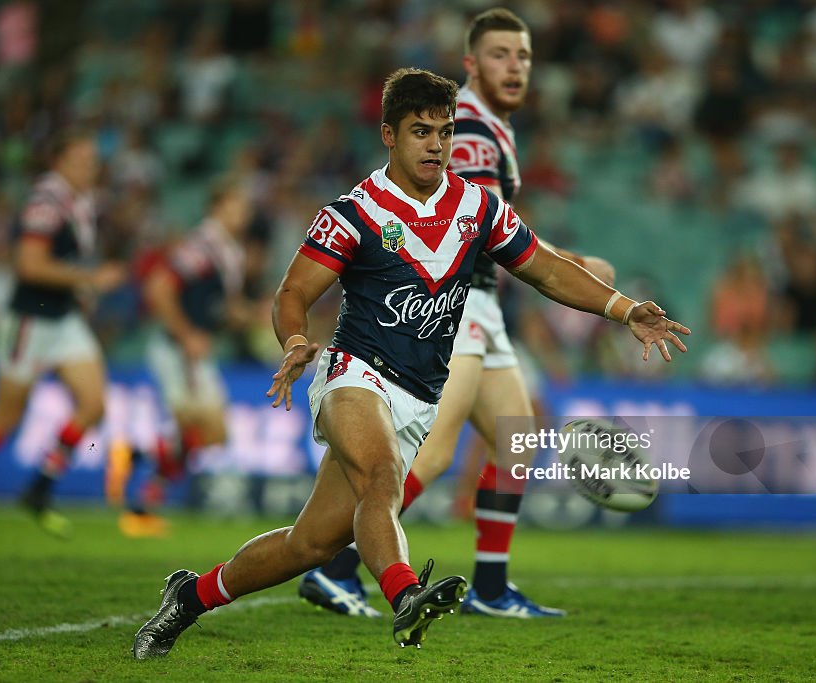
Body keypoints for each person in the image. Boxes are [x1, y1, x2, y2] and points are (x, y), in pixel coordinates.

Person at [131, 67, 688, 658]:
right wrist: (294, 339)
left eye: (445, 132)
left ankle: (189, 597)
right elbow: (291, 293)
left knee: (309, 545)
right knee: (384, 477)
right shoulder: (354, 213)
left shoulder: (480, 208)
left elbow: (545, 268)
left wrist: (624, 309)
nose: (436, 145)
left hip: (419, 394)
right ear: (388, 135)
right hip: (354, 373)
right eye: (421, 131)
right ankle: (405, 596)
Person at [300, 7, 616, 619]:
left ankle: (491, 588)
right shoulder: (466, 127)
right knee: (435, 452)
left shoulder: (488, 125)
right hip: (454, 298)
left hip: (486, 303)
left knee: (515, 439)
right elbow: (487, 227)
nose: (514, 66)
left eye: (522, 55)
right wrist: (575, 261)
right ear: (471, 63)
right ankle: (337, 569)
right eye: (499, 54)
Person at [0, 129, 127, 539]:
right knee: (7, 414)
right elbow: (29, 265)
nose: (89, 168)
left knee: (93, 403)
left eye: (92, 160)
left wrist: (80, 287)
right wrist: (90, 279)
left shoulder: (79, 201)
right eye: (79, 160)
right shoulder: (46, 202)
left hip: (61, 317)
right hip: (31, 319)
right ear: (57, 162)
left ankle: (39, 487)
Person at [109, 178, 253, 538]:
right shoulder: (201, 246)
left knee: (213, 434)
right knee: (190, 427)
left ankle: (136, 458)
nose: (243, 215)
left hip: (198, 351)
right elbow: (158, 287)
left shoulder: (229, 252)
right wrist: (185, 332)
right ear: (217, 209)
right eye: (236, 207)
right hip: (176, 349)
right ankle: (143, 505)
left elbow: (225, 310)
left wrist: (262, 313)